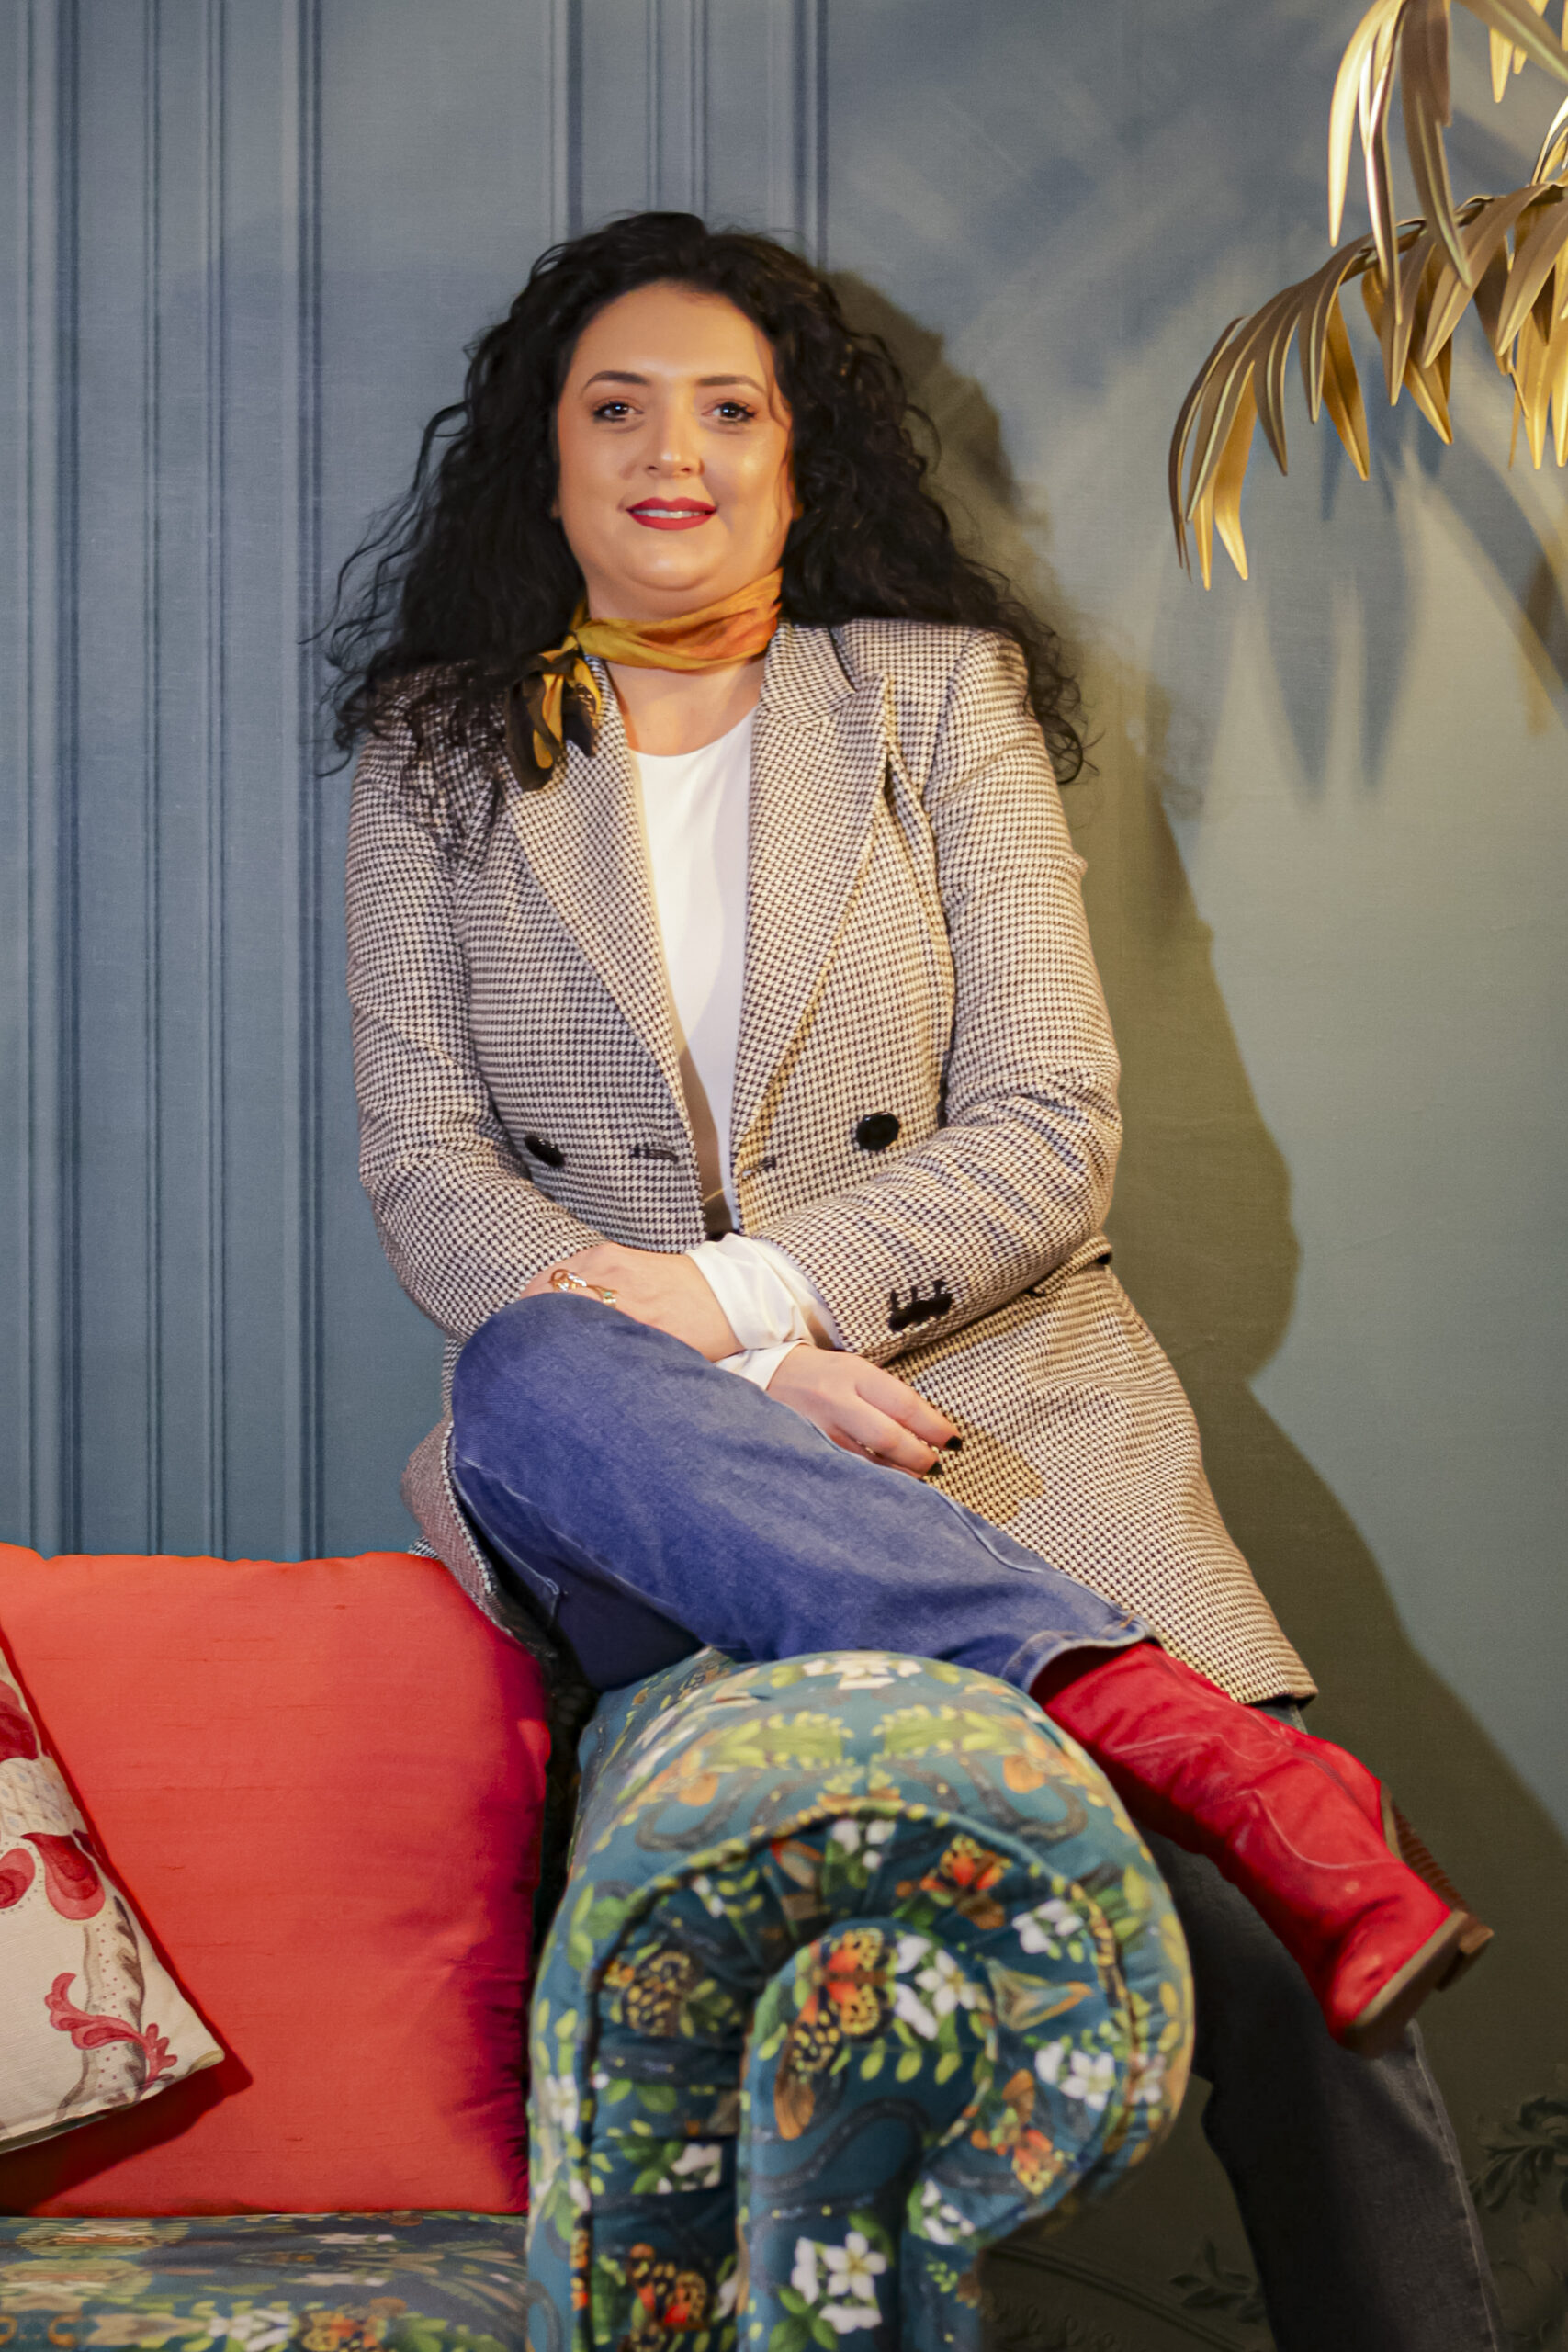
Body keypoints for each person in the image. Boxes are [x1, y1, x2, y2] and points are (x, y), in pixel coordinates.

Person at [332, 211, 1502, 2347]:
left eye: (728, 407)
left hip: (984, 1419)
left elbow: (1049, 1125)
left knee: (1285, 1972)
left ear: (796, 461)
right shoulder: (435, 753)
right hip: (645, 1488)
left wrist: (749, 1294)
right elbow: (425, 1168)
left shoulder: (931, 698)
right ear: (544, 462)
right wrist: (735, 1378)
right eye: (616, 407)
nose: (671, 451)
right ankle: (1148, 1712)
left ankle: (1203, 1789)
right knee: (526, 1370)